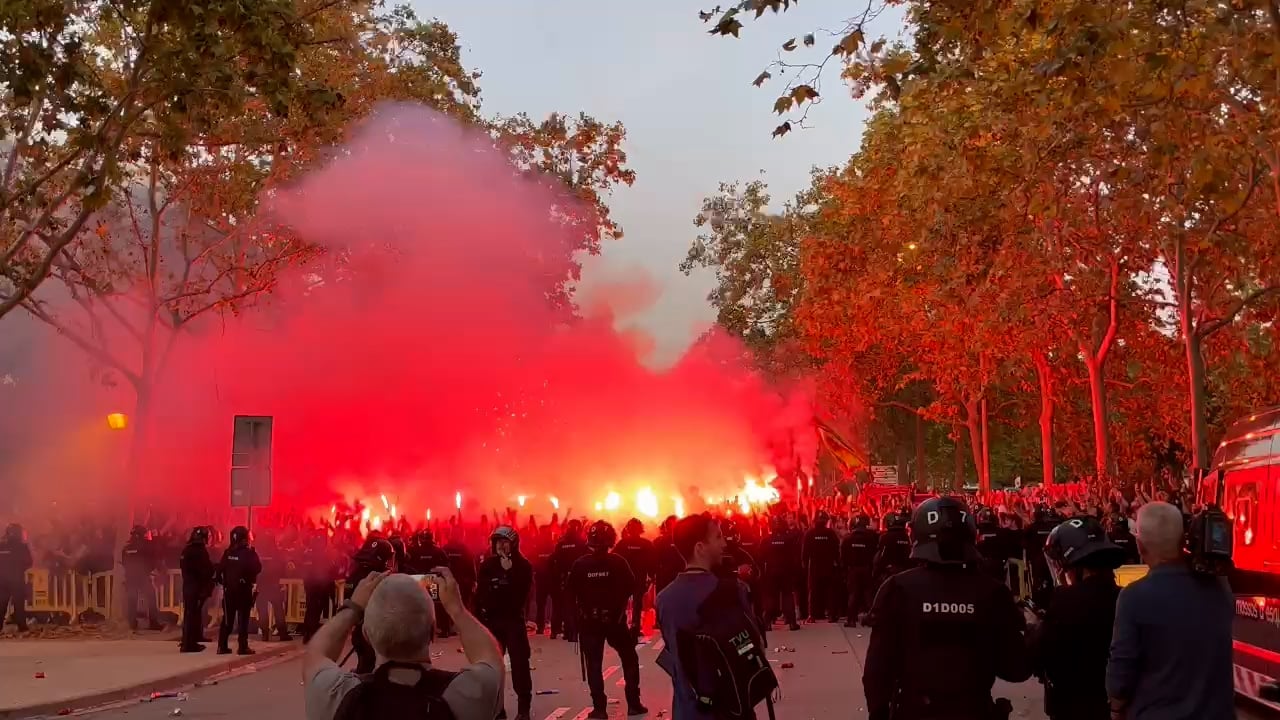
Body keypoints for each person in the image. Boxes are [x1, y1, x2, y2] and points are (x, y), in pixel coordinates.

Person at [863, 497, 1031, 720]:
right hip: (973, 710)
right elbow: (1016, 668)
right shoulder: (993, 592)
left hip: (914, 711)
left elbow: (877, 667)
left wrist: (879, 712)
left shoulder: (897, 588)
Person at [302, 568, 503, 720]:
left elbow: (316, 654)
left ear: (366, 636)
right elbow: (491, 658)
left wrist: (352, 609)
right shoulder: (466, 695)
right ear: (432, 633)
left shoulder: (339, 695)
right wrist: (457, 610)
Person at [1106, 501, 1234, 720]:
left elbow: (1121, 671)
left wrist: (1116, 709)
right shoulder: (1220, 588)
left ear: (1140, 545)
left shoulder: (1134, 597)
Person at [656, 513, 761, 720]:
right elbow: (754, 646)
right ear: (700, 547)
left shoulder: (663, 599)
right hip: (732, 709)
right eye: (718, 537)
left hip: (688, 710)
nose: (724, 543)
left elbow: (673, 654)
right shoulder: (733, 590)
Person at [1028, 516, 1126, 720]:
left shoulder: (1065, 600)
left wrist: (1034, 627)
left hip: (1076, 707)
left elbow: (1038, 656)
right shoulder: (1126, 598)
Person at [567, 520, 647, 719]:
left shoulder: (580, 565)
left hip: (590, 622)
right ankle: (634, 703)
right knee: (629, 659)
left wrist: (576, 619)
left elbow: (570, 593)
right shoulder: (618, 562)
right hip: (615, 622)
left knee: (594, 664)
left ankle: (600, 709)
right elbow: (631, 586)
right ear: (611, 540)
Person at [475, 525, 534, 720]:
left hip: (513, 621)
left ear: (514, 544)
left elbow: (520, 597)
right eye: (497, 542)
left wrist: (509, 574)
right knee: (491, 666)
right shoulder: (488, 565)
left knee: (519, 664)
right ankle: (494, 709)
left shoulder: (523, 566)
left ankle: (523, 709)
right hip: (492, 621)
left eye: (505, 542)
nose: (501, 546)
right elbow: (480, 594)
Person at [347, 536, 396, 673]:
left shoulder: (355, 574)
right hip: (372, 633)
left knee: (365, 666)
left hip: (360, 633)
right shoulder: (376, 579)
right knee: (370, 670)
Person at [217, 525, 262, 655]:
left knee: (227, 620)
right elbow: (258, 568)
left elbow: (220, 570)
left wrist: (224, 583)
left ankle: (222, 646)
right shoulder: (249, 553)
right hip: (243, 591)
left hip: (229, 591)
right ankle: (242, 647)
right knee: (243, 620)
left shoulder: (228, 553)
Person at [613, 518, 654, 638]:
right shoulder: (646, 544)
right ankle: (635, 626)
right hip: (639, 577)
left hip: (624, 578)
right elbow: (652, 561)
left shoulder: (622, 544)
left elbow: (615, 559)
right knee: (637, 603)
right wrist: (651, 576)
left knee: (622, 602)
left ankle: (621, 625)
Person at [550, 520, 590, 642]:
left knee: (567, 606)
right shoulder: (582, 544)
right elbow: (588, 559)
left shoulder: (561, 544)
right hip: (580, 578)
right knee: (579, 606)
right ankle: (574, 632)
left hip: (564, 578)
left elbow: (554, 560)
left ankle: (566, 631)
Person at [179, 526, 215, 652]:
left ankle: (190, 639)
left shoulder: (187, 550)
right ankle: (189, 644)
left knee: (191, 613)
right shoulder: (200, 551)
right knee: (192, 614)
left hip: (188, 585)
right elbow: (205, 569)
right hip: (196, 587)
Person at [121, 525, 165, 631]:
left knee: (132, 599)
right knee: (151, 598)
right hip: (143, 577)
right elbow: (151, 562)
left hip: (130, 577)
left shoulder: (126, 548)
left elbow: (124, 563)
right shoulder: (146, 546)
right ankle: (153, 622)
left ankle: (132, 623)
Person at [801, 510, 841, 623]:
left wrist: (804, 564)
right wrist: (837, 563)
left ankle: (812, 615)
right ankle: (832, 615)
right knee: (830, 592)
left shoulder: (809, 533)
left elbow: (805, 552)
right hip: (828, 567)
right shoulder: (831, 533)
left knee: (813, 592)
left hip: (814, 567)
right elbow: (836, 550)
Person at [841, 513, 878, 627]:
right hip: (867, 568)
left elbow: (843, 556)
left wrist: (845, 571)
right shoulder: (872, 537)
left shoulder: (848, 538)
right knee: (868, 594)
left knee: (853, 594)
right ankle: (872, 618)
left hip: (853, 569)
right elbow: (876, 552)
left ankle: (851, 620)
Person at [255, 534, 292, 642]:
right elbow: (281, 568)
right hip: (273, 585)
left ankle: (265, 634)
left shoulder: (258, 553)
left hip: (262, 585)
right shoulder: (275, 553)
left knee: (263, 610)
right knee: (278, 609)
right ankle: (282, 633)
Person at [0, 523, 32, 633]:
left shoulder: (1, 545)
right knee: (19, 604)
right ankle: (22, 627)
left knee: (1, 604)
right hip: (16, 579)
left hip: (2, 580)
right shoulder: (22, 546)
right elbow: (29, 562)